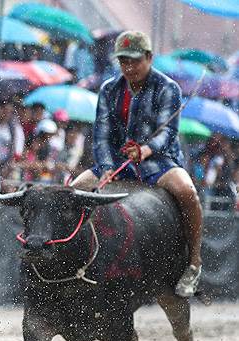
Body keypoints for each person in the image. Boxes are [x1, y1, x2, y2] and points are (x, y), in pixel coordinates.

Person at [70, 31, 203, 297]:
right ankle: (72, 260)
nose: (129, 68)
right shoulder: (109, 89)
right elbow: (101, 135)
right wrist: (107, 166)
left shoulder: (168, 88)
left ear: (149, 58)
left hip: (158, 161)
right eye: (123, 62)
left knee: (187, 192)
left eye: (135, 61)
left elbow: (166, 135)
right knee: (73, 190)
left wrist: (145, 150)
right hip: (118, 161)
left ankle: (194, 262)